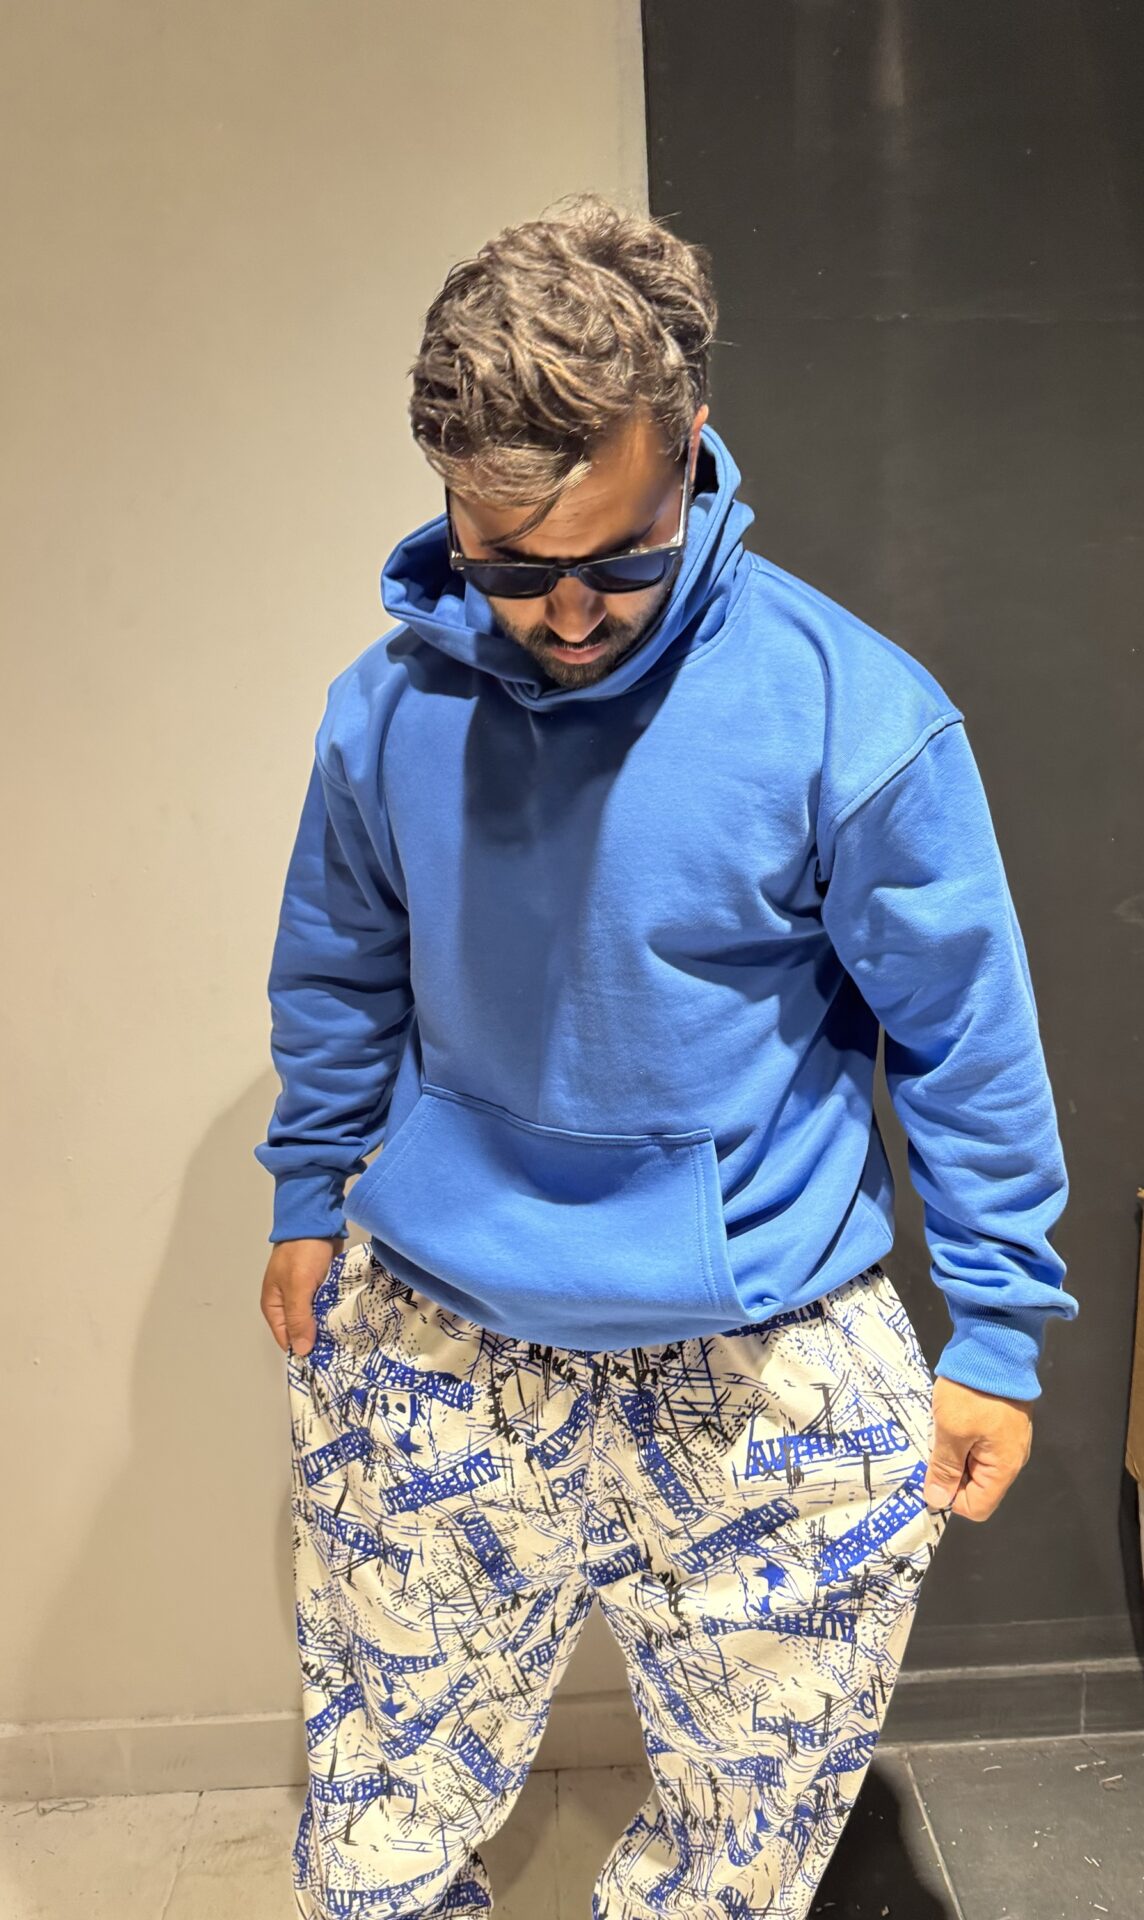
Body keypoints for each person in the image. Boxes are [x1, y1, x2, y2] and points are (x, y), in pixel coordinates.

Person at [253, 192, 1076, 1920]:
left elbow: (964, 1037)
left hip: (767, 1353)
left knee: (738, 1867)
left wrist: (999, 1326)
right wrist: (307, 1191)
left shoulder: (851, 709)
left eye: (619, 560)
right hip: (444, 1329)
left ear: (691, 448)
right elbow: (339, 969)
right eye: (509, 565)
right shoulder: (383, 712)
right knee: (378, 1829)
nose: (567, 615)